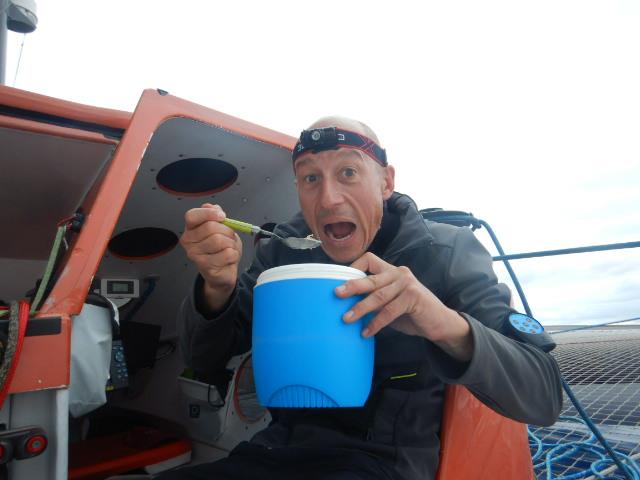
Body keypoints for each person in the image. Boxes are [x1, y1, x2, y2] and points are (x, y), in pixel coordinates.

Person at [162, 117, 563, 480]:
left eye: (348, 172)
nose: (329, 198)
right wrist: (216, 287)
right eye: (310, 179)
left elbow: (544, 396)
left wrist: (439, 319)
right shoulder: (283, 249)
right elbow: (203, 360)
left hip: (384, 462)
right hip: (276, 450)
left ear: (386, 182)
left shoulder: (446, 252)